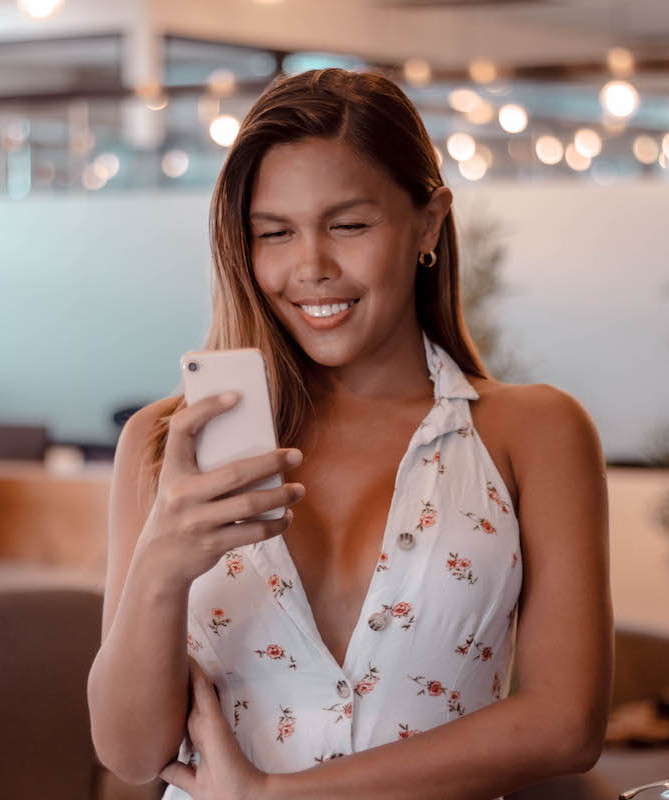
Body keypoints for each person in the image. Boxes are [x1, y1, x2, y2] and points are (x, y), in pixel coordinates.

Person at [87, 67, 611, 800]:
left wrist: (273, 797)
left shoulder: (534, 434)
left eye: (349, 225)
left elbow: (567, 723)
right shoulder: (166, 443)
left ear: (428, 222)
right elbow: (132, 753)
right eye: (275, 233)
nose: (311, 268)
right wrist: (160, 569)